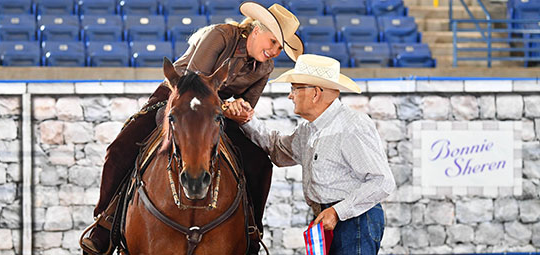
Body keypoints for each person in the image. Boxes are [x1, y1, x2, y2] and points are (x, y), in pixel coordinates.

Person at [80, 2, 304, 255]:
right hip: (177, 97)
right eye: (273, 41)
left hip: (217, 114)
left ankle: (251, 231)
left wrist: (241, 110)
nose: (275, 51)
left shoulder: (265, 68)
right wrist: (227, 105)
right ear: (255, 30)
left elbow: (247, 106)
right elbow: (192, 84)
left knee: (260, 163)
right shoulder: (220, 35)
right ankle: (104, 224)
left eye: (280, 47)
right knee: (120, 148)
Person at [226, 54, 396, 254]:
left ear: (315, 93)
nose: (290, 96)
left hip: (354, 220)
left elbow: (382, 182)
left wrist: (336, 212)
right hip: (332, 217)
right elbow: (278, 150)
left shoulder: (352, 126)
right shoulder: (308, 130)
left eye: (295, 89)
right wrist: (246, 120)